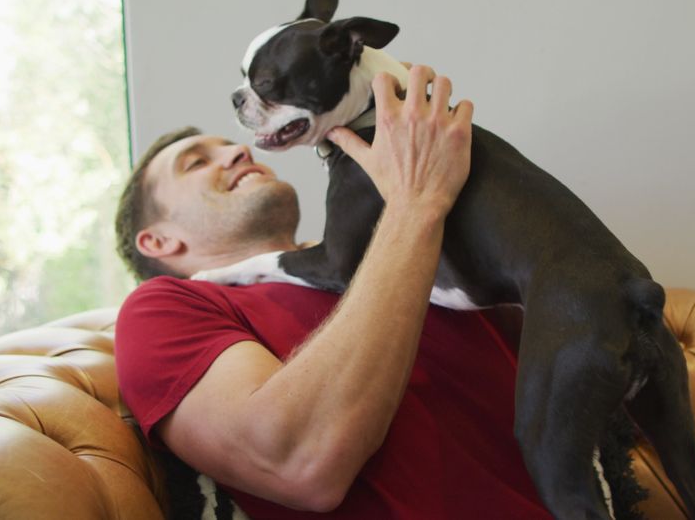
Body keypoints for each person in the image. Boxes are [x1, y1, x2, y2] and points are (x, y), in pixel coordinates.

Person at [114, 66, 551, 518]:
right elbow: (299, 461)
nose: (240, 151)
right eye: (197, 163)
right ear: (158, 241)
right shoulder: (162, 309)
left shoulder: (385, 254)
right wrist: (415, 201)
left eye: (231, 145)